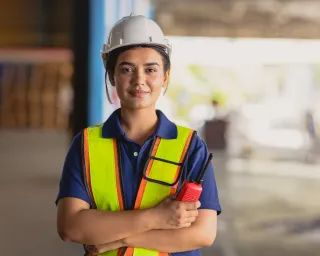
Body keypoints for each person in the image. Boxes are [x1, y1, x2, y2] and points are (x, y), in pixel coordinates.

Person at [55, 13, 221, 256]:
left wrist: (115, 239)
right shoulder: (86, 145)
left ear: (165, 76)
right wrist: (156, 217)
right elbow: (71, 227)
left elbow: (202, 234)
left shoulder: (190, 147)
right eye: (127, 69)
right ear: (112, 76)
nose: (139, 80)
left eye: (151, 69)